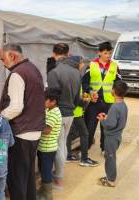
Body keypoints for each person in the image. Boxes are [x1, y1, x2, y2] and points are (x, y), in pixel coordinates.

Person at [0, 43, 45, 200]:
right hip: (35, 131)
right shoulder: (34, 69)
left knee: (17, 179)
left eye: (2, 59)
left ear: (12, 56)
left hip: (21, 133)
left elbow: (16, 107)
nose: (2, 63)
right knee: (28, 176)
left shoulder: (17, 74)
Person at [47, 43, 81, 189]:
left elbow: (52, 96)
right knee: (63, 143)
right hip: (71, 113)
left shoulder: (55, 71)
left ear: (54, 53)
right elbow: (77, 97)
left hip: (58, 113)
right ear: (68, 54)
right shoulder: (76, 72)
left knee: (58, 146)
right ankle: (59, 174)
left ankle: (59, 179)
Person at [82, 42, 122, 154]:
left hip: (109, 102)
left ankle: (104, 148)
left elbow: (119, 84)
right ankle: (86, 149)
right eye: (105, 53)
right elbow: (84, 81)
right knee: (89, 127)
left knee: (107, 127)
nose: (108, 55)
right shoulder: (91, 65)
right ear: (99, 53)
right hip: (94, 102)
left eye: (109, 53)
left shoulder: (115, 66)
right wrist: (90, 91)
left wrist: (117, 97)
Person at [65, 56, 99, 167]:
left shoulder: (70, 75)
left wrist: (84, 95)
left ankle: (68, 155)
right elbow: (75, 97)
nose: (83, 65)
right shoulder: (76, 76)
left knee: (69, 134)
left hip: (71, 111)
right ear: (76, 64)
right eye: (81, 63)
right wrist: (86, 100)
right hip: (76, 112)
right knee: (85, 134)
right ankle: (84, 159)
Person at [97, 81, 128, 187]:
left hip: (111, 137)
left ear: (114, 91)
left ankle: (111, 180)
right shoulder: (123, 105)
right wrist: (107, 117)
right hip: (117, 136)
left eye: (112, 88)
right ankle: (109, 176)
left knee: (110, 158)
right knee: (110, 156)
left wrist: (102, 120)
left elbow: (110, 125)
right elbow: (117, 120)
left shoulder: (115, 107)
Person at [37, 88, 62, 200]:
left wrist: (35, 125)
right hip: (44, 148)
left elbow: (47, 130)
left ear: (53, 101)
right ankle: (43, 190)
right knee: (43, 169)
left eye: (45, 100)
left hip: (47, 149)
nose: (43, 102)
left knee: (46, 171)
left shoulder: (54, 113)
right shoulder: (49, 110)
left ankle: (48, 195)